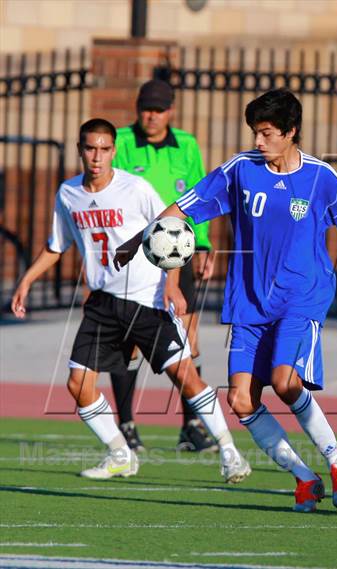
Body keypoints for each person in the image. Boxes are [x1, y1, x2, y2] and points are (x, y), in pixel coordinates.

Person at [114, 89, 337, 512]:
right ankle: (304, 478)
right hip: (248, 304)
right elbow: (183, 209)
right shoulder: (240, 170)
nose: (258, 142)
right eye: (255, 133)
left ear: (291, 132)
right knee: (240, 400)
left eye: (266, 133)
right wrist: (137, 241)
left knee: (284, 382)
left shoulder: (321, 177)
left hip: (301, 297)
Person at [11, 118, 251, 483]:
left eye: (104, 149)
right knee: (78, 385)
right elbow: (56, 246)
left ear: (113, 151)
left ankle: (231, 453)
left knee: (185, 376)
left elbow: (171, 232)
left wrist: (172, 285)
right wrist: (26, 282)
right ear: (80, 150)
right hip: (103, 304)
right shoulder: (68, 193)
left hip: (147, 300)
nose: (97, 156)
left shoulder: (135, 188)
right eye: (90, 148)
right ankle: (120, 453)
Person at [111, 79, 216, 453]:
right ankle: (125, 424)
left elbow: (200, 196)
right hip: (134, 255)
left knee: (188, 338)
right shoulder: (120, 141)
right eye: (145, 108)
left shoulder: (186, 145)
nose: (151, 116)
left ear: (170, 111)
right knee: (130, 342)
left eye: (158, 109)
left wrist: (202, 245)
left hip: (176, 253)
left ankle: (191, 425)